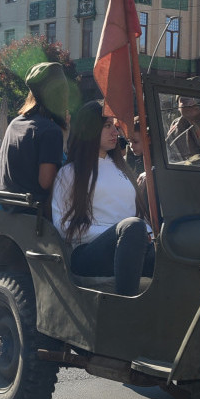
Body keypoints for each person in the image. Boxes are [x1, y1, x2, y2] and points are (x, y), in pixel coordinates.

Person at [51, 101, 154, 296]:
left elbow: (140, 216)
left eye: (115, 126)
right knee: (132, 227)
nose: (115, 132)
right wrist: (119, 234)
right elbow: (65, 227)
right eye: (107, 126)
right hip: (88, 254)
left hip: (133, 244)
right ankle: (124, 307)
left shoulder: (121, 169)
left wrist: (149, 236)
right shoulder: (70, 173)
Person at [0, 61, 70, 212]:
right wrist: (64, 140)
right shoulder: (50, 130)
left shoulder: (14, 124)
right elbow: (46, 182)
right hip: (35, 217)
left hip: (5, 211)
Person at [166, 85, 200, 160]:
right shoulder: (177, 124)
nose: (189, 103)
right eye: (183, 100)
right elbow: (170, 154)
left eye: (196, 98)